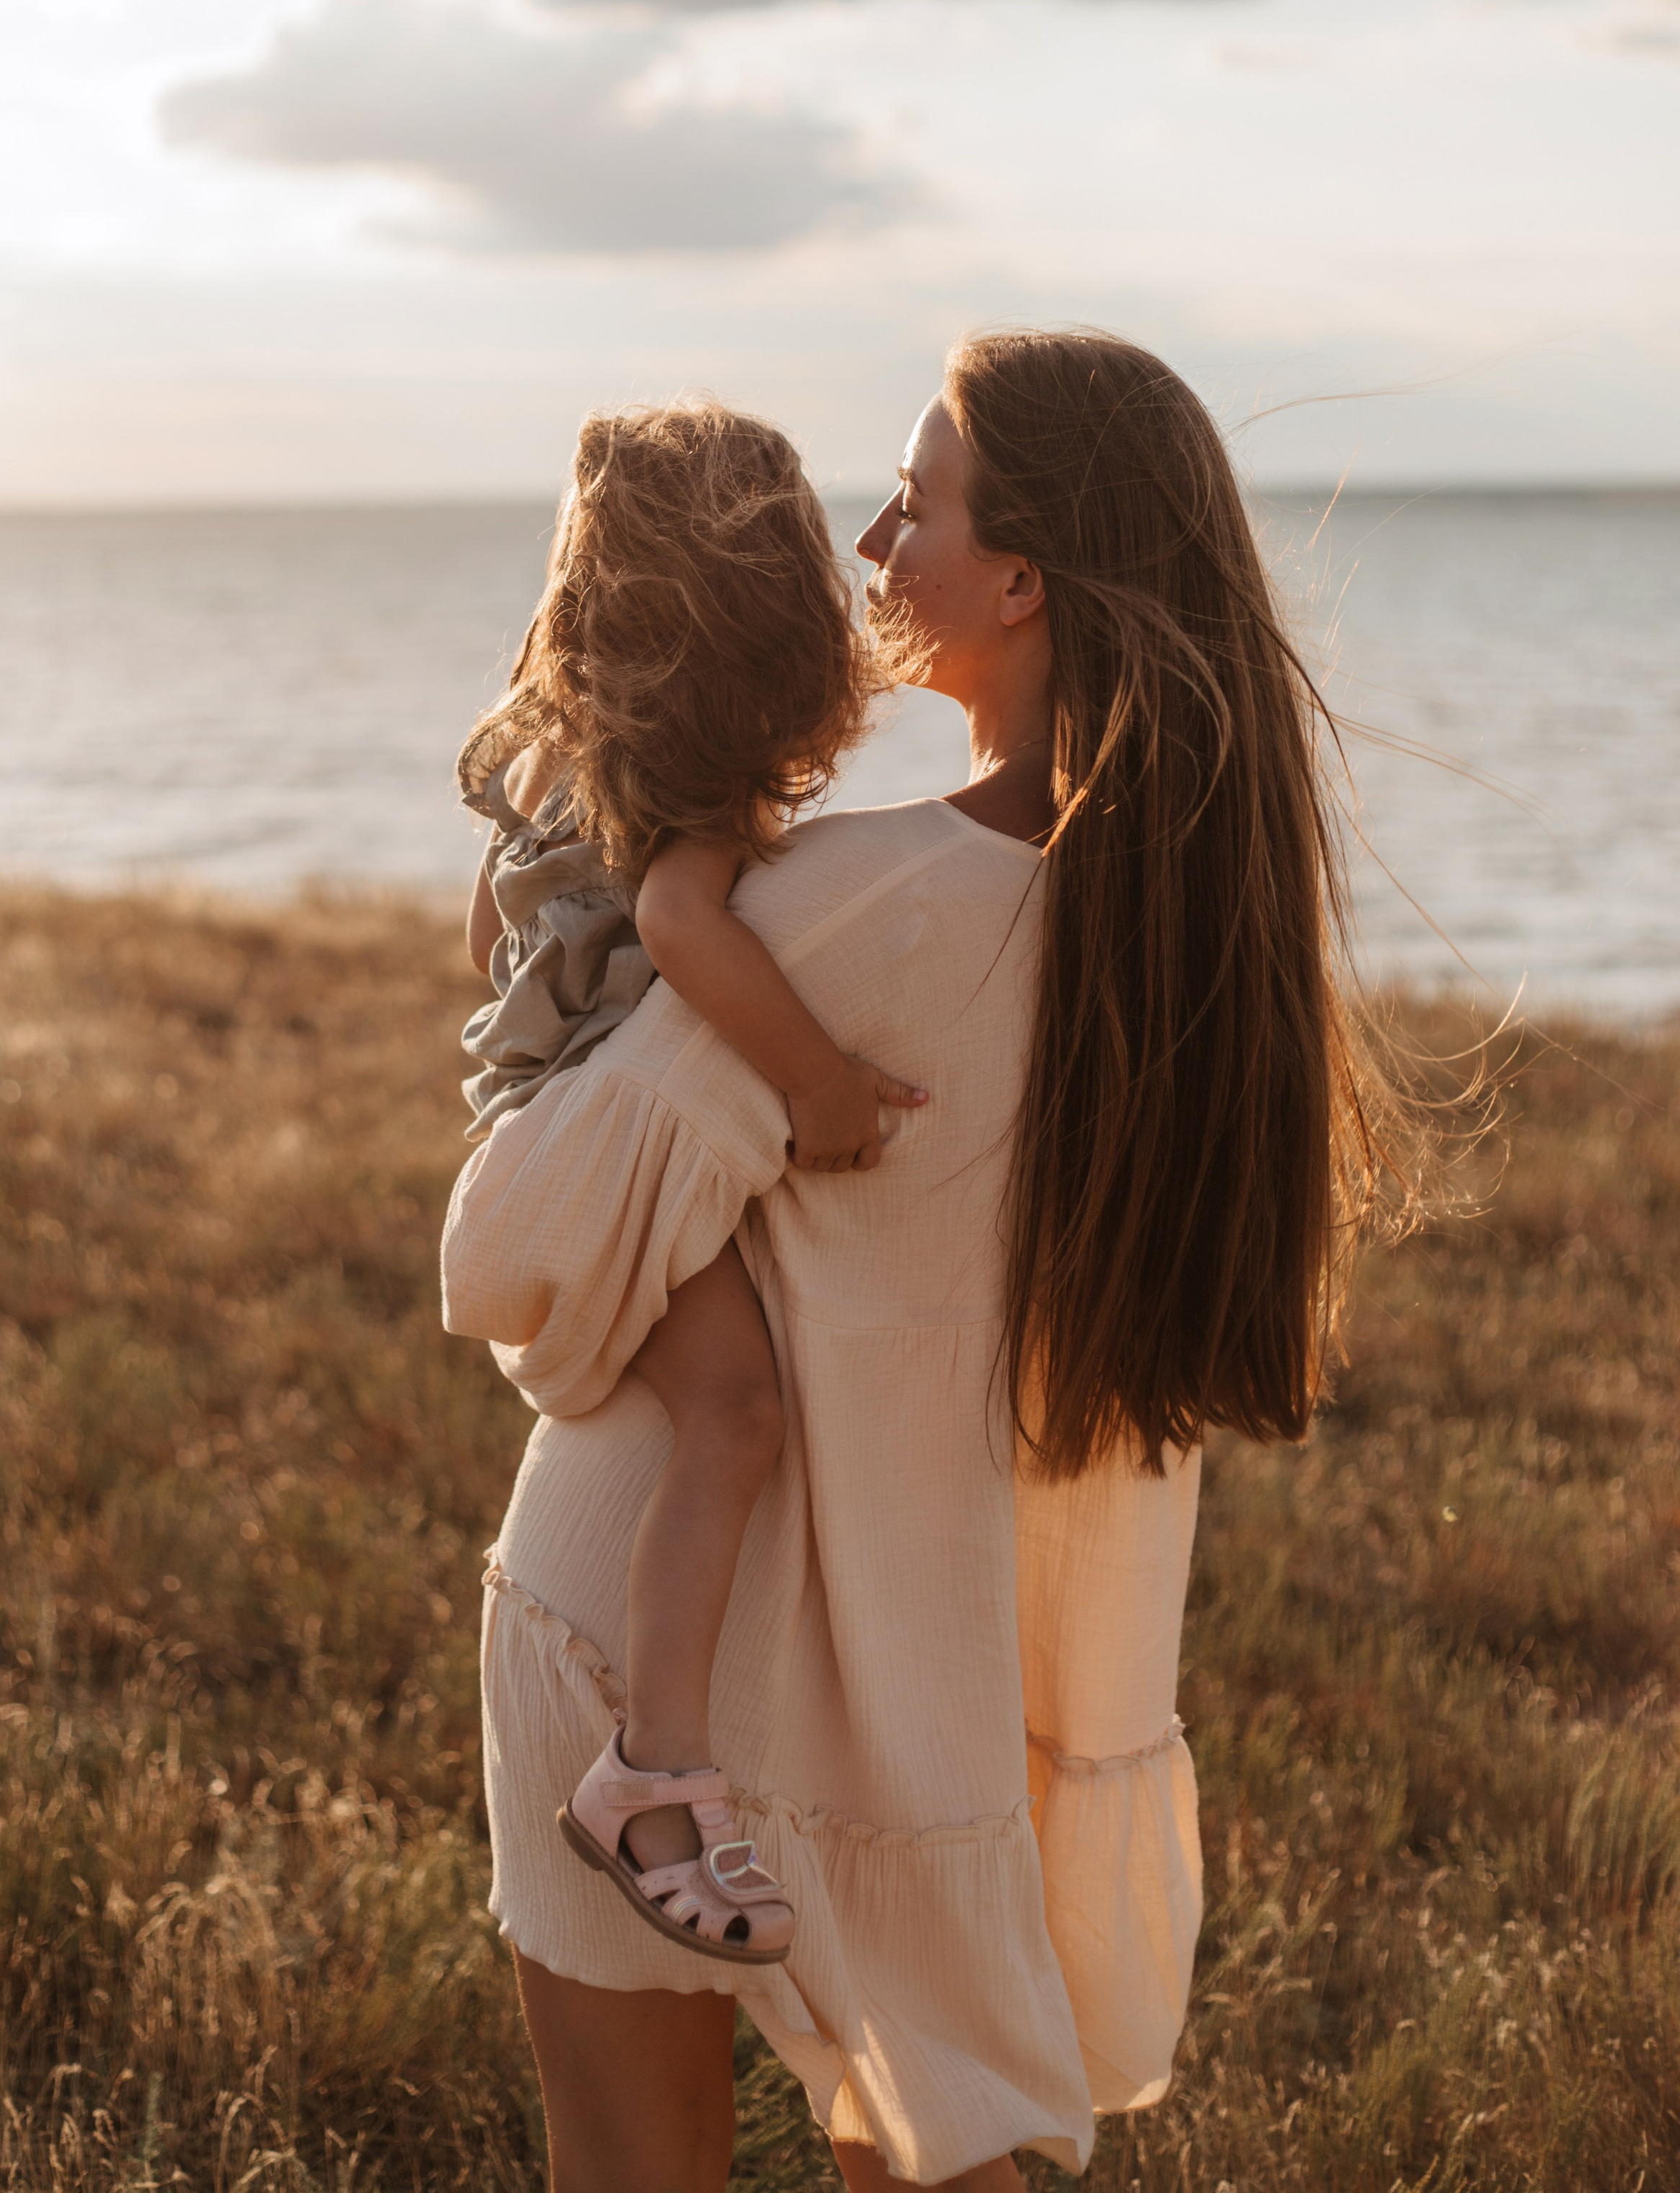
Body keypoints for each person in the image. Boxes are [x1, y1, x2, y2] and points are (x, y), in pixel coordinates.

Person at [442, 332, 1405, 2190]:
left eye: (914, 504)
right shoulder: (1199, 953)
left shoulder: (839, 905)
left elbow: (512, 1261)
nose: (870, 546)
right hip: (938, 1685)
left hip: (643, 1634)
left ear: (1021, 577)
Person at [459, 399, 924, 1962]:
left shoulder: (557, 753)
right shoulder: (701, 800)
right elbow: (676, 924)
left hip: (523, 1116)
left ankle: (661, 1761)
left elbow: (486, 944)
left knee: (717, 1409)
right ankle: (652, 1771)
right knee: (736, 1415)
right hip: (595, 1149)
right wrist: (817, 1083)